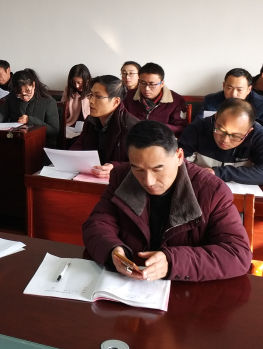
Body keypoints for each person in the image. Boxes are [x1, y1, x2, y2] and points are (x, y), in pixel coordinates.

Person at [82, 121, 252, 282]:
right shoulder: (122, 177)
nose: (148, 181)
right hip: (131, 283)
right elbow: (97, 224)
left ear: (179, 156)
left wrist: (173, 262)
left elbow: (238, 254)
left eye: (158, 168)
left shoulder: (212, 191)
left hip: (186, 289)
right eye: (138, 169)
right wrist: (113, 250)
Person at [179, 98, 263, 185]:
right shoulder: (197, 128)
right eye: (221, 130)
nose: (225, 140)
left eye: (236, 136)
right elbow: (177, 162)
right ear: (216, 117)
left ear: (248, 131)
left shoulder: (258, 136)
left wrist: (219, 173)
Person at [70, 76, 139, 180]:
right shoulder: (90, 120)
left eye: (98, 97)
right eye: (91, 95)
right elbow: (80, 145)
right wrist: (71, 156)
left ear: (115, 102)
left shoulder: (132, 127)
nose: (91, 101)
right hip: (91, 177)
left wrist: (116, 167)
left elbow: (142, 163)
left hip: (118, 181)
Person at [198, 68, 263, 141]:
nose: (234, 94)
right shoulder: (211, 100)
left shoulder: (261, 103)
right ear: (223, 86)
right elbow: (197, 127)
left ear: (249, 89)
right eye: (229, 88)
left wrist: (243, 134)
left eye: (239, 90)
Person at [0, 69, 60, 147]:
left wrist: (30, 120)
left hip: (40, 144)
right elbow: (3, 113)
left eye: (28, 93)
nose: (24, 97)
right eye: (20, 94)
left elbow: (54, 131)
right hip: (16, 140)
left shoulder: (48, 102)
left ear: (33, 85)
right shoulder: (13, 96)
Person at [123, 62, 188, 136]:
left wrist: (156, 128)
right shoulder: (128, 96)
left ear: (162, 84)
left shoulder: (176, 100)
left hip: (161, 139)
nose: (147, 89)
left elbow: (181, 127)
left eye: (152, 84)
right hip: (133, 138)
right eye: (142, 83)